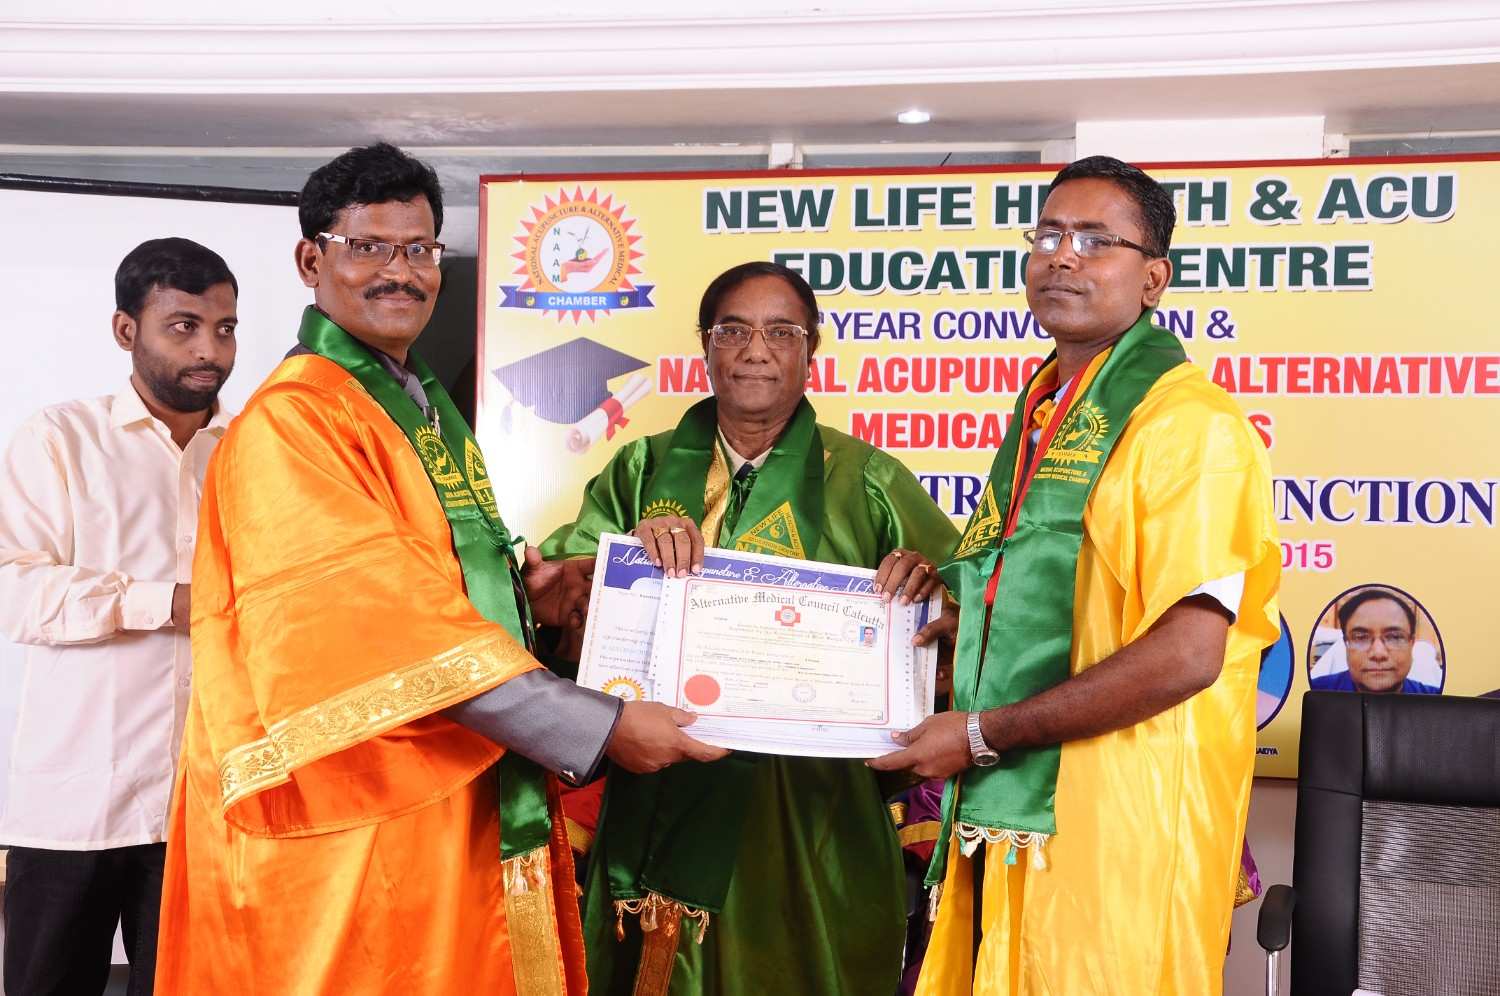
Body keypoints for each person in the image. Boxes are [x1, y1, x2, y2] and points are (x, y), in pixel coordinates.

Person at [153, 143, 723, 996]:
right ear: (311, 260)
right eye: (368, 247)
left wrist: (530, 601)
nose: (401, 272)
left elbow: (427, 583)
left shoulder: (416, 408)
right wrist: (601, 728)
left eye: (419, 249)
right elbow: (382, 624)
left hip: (445, 791)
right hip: (356, 818)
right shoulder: (295, 422)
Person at [869, 156, 1282, 995]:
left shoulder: (1188, 425)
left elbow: (1188, 653)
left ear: (1153, 278)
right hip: (1022, 813)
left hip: (1118, 821)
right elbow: (1067, 599)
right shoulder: (1046, 411)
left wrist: (980, 732)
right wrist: (968, 623)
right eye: (1049, 235)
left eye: (1096, 240)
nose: (1063, 256)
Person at [540, 260, 960, 995]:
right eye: (732, 331)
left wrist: (930, 596)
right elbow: (570, 619)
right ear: (705, 345)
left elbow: (963, 617)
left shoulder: (868, 479)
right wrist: (611, 574)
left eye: (780, 332)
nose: (755, 351)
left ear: (811, 348)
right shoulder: (641, 470)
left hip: (813, 811)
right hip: (663, 792)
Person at [0, 237, 238, 996]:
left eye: (225, 328)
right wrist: (166, 603)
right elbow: (14, 588)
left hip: (205, 809)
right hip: (74, 803)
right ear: (125, 329)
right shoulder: (60, 439)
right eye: (184, 326)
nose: (209, 350)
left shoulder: (253, 455)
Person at [1309, 587, 1439, 694]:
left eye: (1394, 637)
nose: (1378, 653)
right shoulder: (1314, 694)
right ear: (1345, 643)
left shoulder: (1436, 702)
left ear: (1411, 643)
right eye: (1361, 637)